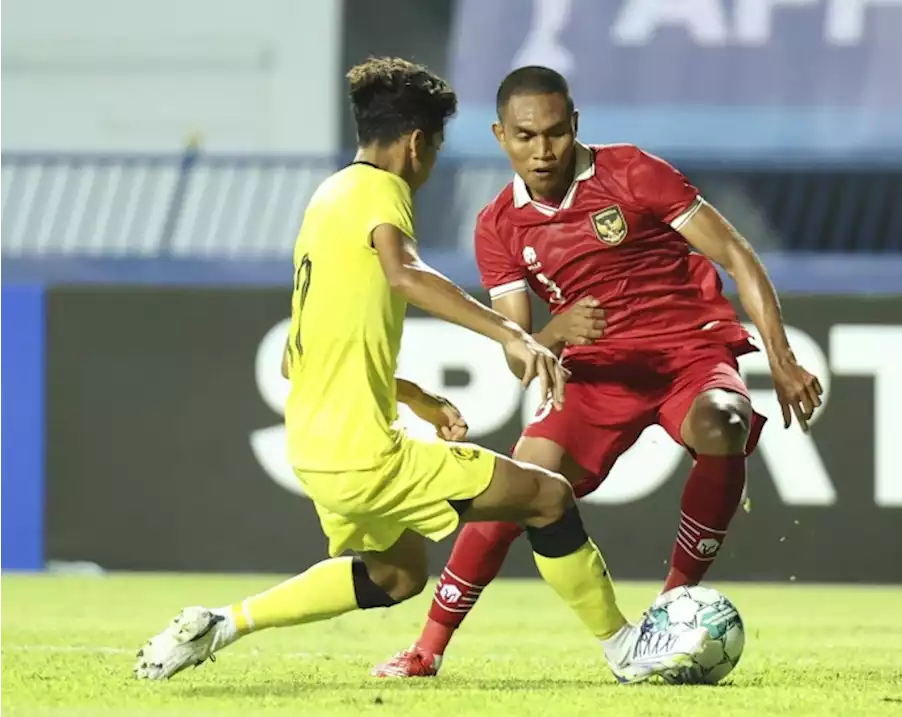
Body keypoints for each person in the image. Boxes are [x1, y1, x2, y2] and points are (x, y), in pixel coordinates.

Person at [132, 57, 708, 685]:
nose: (429, 165)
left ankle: (222, 622)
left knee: (396, 574)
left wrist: (414, 396)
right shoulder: (383, 192)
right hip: (364, 453)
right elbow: (406, 273)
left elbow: (295, 353)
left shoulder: (327, 197)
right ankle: (626, 648)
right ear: (415, 144)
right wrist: (511, 330)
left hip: (315, 445)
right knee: (547, 497)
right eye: (433, 148)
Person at [373, 65, 824, 678]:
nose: (542, 150)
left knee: (725, 421)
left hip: (686, 352)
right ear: (500, 135)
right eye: (526, 136)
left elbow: (736, 254)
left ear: (575, 125)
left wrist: (781, 357)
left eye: (555, 133)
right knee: (518, 486)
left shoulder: (633, 172)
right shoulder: (498, 226)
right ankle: (427, 646)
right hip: (594, 375)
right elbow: (518, 350)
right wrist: (554, 334)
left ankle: (672, 605)